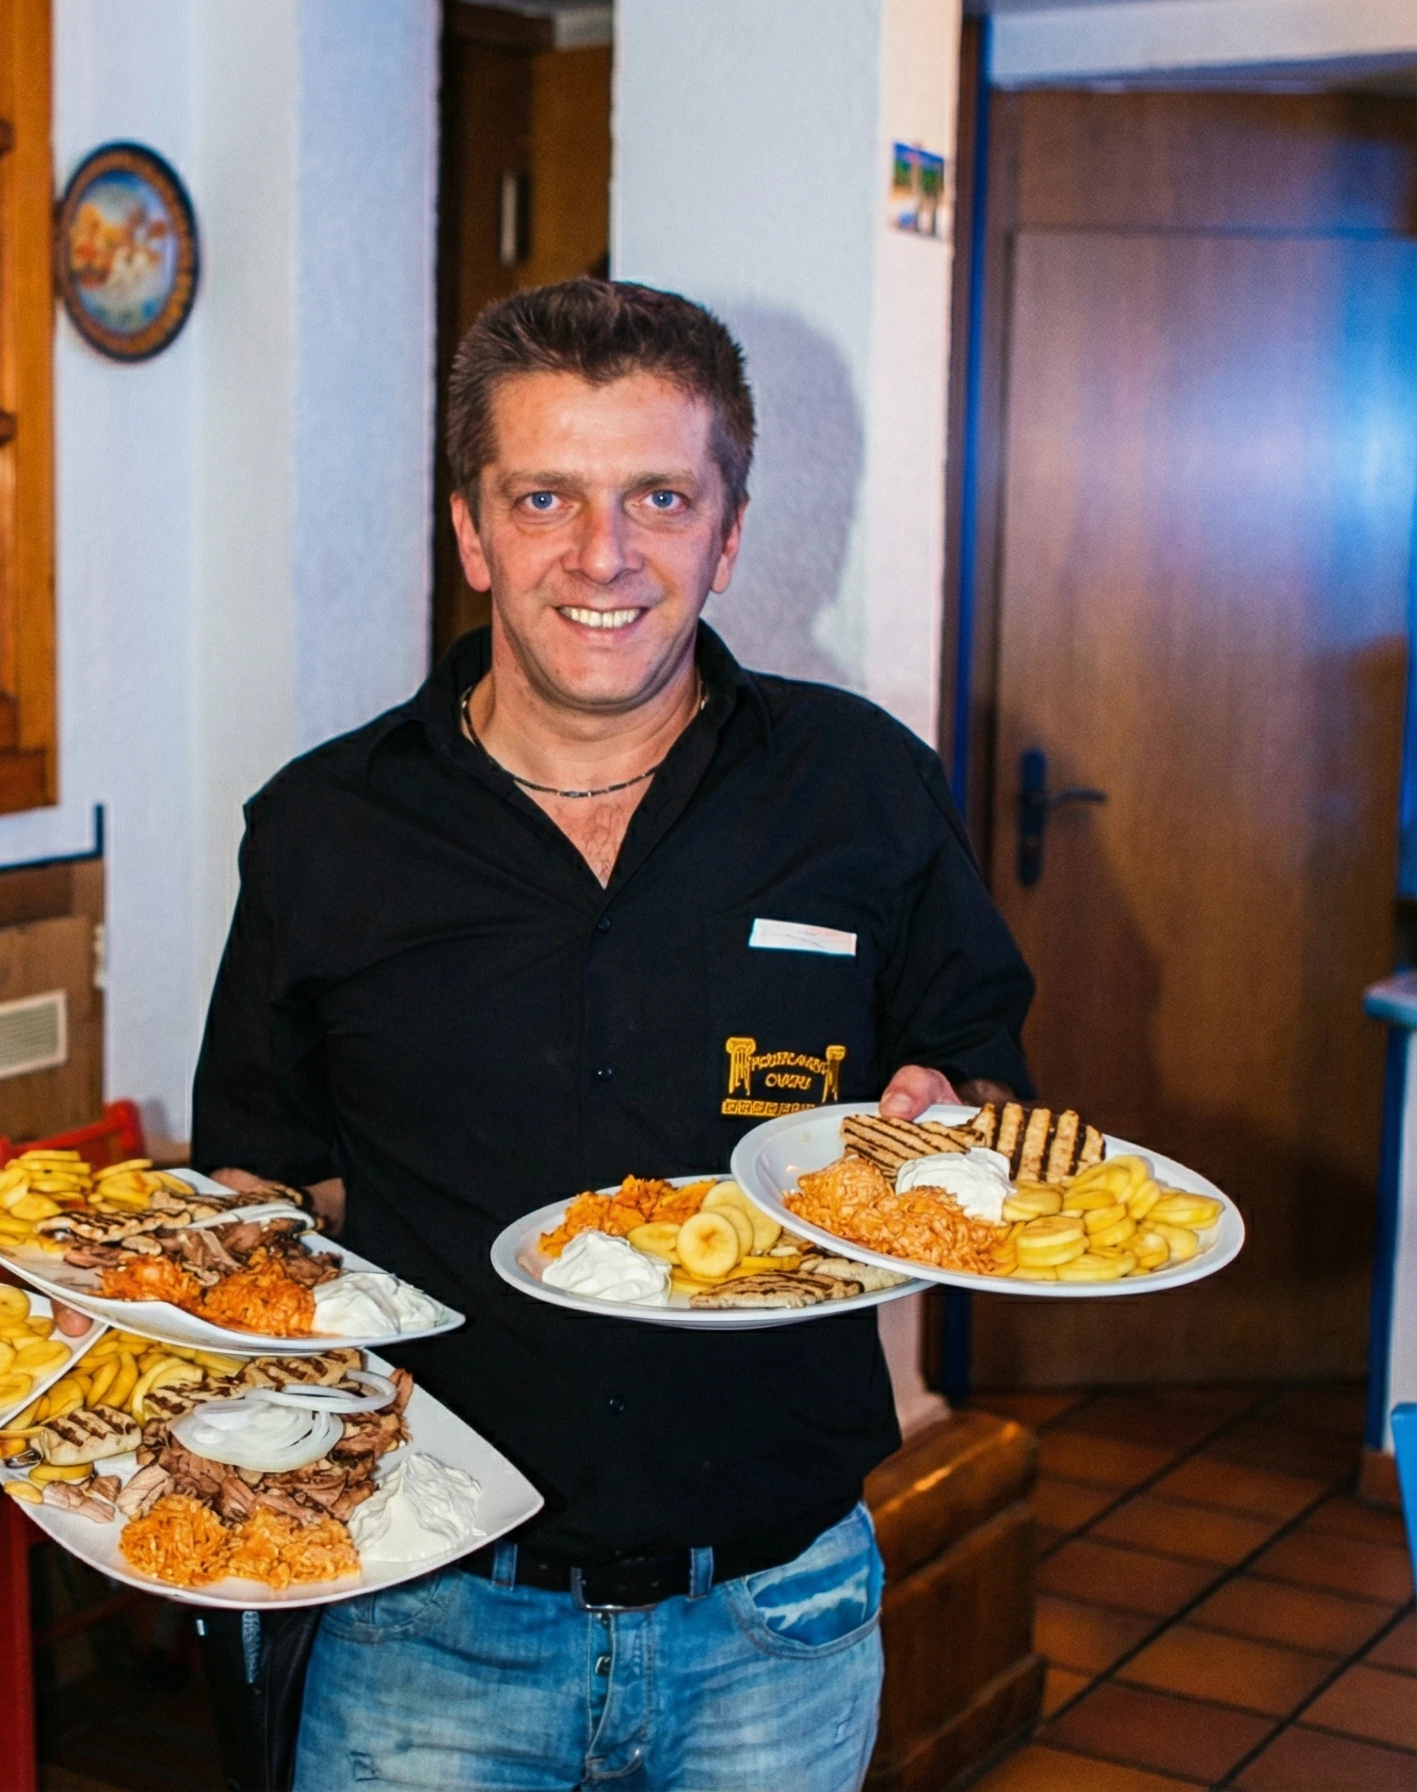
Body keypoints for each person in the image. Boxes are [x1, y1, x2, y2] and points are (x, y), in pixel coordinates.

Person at [191, 280, 1034, 1791]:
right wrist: (169, 1299)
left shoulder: (861, 789)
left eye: (659, 495)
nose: (604, 555)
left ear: (730, 528)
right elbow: (263, 1176)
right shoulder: (322, 832)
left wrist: (945, 1122)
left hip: (779, 1618)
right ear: (471, 530)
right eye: (544, 496)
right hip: (421, 1624)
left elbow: (983, 1073)